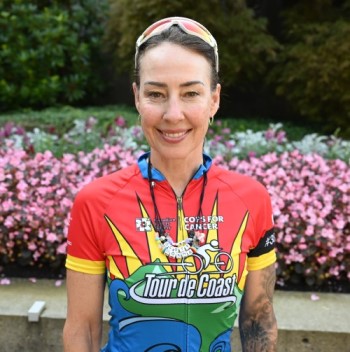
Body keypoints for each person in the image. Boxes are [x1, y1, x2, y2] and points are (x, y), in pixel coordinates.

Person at [63, 16, 278, 352]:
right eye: (156, 94)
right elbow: (83, 329)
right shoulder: (96, 202)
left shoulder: (252, 199)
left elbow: (258, 321)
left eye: (191, 93)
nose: (173, 114)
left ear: (214, 100)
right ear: (137, 97)